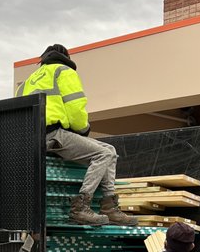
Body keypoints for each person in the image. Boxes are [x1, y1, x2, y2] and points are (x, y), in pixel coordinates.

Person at [16, 43, 132, 226]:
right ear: (66, 58)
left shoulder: (26, 82)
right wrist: (83, 130)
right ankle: (81, 207)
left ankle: (109, 206)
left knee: (110, 149)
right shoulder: (64, 71)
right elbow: (76, 109)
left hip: (28, 137)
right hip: (52, 134)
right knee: (104, 153)